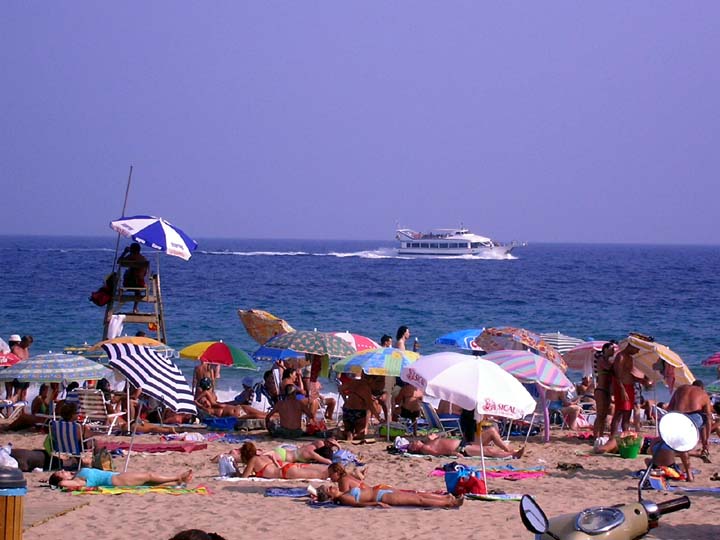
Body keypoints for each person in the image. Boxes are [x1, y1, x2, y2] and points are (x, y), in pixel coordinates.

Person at [668, 381, 713, 471]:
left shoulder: (680, 389)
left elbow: (670, 407)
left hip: (677, 417)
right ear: (702, 388)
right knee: (704, 417)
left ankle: (699, 449)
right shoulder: (703, 394)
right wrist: (707, 439)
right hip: (692, 419)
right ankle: (704, 446)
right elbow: (709, 417)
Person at [315, 483, 463, 508]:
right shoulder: (343, 498)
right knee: (418, 500)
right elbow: (359, 504)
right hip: (382, 497)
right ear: (330, 496)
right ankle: (449, 503)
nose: (332, 487)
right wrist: (377, 504)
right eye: (329, 489)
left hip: (382, 491)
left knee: (418, 495)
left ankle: (446, 498)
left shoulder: (343, 491)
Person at [236, 441, 332, 479]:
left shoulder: (253, 460)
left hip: (285, 471)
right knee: (325, 470)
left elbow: (243, 477)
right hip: (288, 465)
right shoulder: (262, 456)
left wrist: (236, 471)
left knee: (322, 476)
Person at [609, 341, 647, 435]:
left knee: (627, 413)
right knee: (619, 412)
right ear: (631, 346)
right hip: (622, 387)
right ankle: (612, 436)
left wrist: (643, 381)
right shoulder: (620, 357)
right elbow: (617, 375)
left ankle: (625, 435)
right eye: (637, 349)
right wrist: (622, 390)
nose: (637, 352)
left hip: (630, 387)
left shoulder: (630, 358)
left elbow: (629, 374)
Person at [407, 431, 525, 459]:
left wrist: (434, 437)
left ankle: (510, 450)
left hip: (463, 442)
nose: (414, 442)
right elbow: (438, 453)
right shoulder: (425, 448)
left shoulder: (427, 442)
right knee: (487, 451)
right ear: (415, 449)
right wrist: (454, 453)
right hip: (462, 448)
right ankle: (512, 454)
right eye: (413, 444)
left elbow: (440, 442)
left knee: (492, 431)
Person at [49, 467, 193, 489]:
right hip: (114, 480)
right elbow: (62, 483)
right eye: (59, 473)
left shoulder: (77, 474)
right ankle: (177, 477)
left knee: (149, 483)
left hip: (115, 478)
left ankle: (177, 482)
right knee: (148, 476)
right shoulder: (76, 480)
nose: (62, 470)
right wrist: (57, 482)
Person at [195, 378, 265, 419]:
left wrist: (196, 400)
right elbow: (206, 394)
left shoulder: (216, 404)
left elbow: (207, 393)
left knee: (263, 414)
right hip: (237, 414)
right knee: (259, 415)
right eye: (204, 402)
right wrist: (196, 401)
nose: (206, 402)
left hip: (241, 407)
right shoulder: (209, 409)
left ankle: (274, 415)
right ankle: (274, 416)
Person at [339, 374, 382, 441]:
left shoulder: (354, 382)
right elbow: (370, 405)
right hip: (358, 412)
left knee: (348, 428)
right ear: (371, 380)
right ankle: (353, 434)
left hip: (347, 410)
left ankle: (348, 433)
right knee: (361, 435)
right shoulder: (366, 388)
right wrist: (379, 418)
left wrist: (345, 400)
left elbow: (340, 388)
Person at [593, 341, 616, 438]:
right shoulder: (601, 360)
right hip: (601, 389)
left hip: (607, 391)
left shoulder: (609, 360)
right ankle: (596, 435)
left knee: (604, 415)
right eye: (611, 349)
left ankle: (600, 435)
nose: (613, 351)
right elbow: (609, 368)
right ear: (605, 349)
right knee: (600, 414)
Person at [118, 242, 148, 312]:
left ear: (131, 250)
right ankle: (135, 308)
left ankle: (121, 298)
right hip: (140, 285)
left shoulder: (130, 257)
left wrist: (124, 252)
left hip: (128, 284)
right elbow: (144, 274)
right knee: (138, 280)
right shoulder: (143, 259)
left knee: (128, 273)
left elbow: (119, 261)